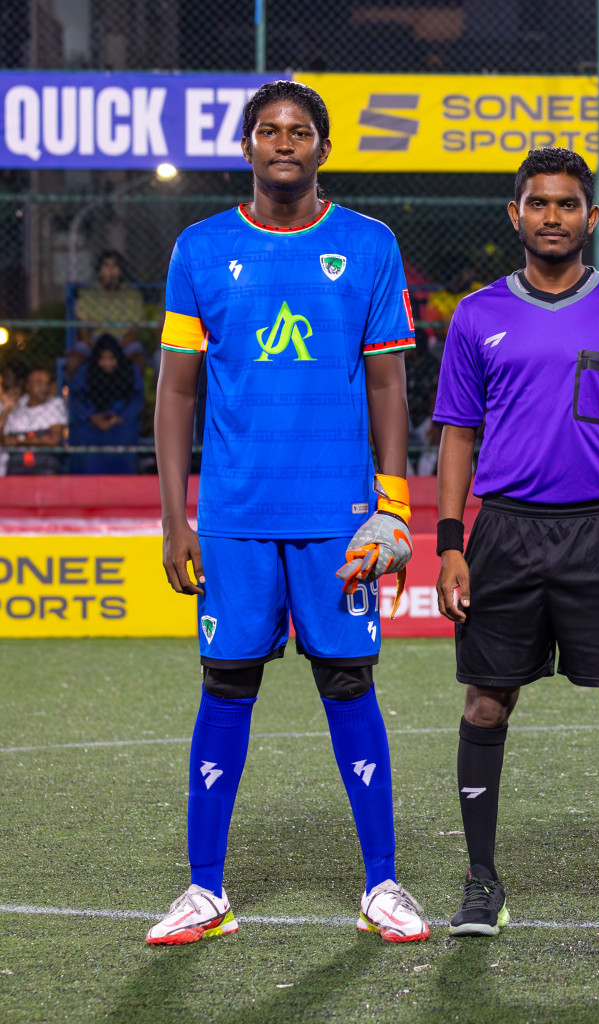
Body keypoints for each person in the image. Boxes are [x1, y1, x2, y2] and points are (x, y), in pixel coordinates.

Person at [148, 81, 428, 946]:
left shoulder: (367, 245)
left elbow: (389, 382)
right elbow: (176, 392)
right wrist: (174, 517)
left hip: (339, 519)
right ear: (246, 147)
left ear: (322, 148)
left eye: (299, 130)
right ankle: (205, 891)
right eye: (267, 130)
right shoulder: (198, 248)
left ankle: (381, 885)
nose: (283, 142)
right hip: (234, 517)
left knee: (350, 683)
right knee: (226, 684)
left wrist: (392, 505)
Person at [432, 148, 599, 939]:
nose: (552, 217)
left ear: (590, 217)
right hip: (503, 531)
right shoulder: (476, 315)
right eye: (538, 204)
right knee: (485, 701)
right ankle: (481, 881)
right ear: (516, 214)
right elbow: (457, 435)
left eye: (567, 205)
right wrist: (449, 542)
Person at [68, 336, 144, 474]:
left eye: (111, 358)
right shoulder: (86, 370)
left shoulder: (130, 370)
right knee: (81, 434)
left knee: (126, 433)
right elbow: (77, 400)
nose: (106, 363)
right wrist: (91, 417)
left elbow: (136, 399)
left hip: (121, 419)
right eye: (102, 358)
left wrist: (120, 417)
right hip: (92, 419)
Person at [70, 251, 148, 373]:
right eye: (106, 266)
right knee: (73, 361)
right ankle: (76, 391)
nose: (110, 271)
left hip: (122, 342)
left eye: (115, 266)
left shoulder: (132, 295)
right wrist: (93, 346)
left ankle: (134, 391)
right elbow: (83, 329)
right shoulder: (88, 294)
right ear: (99, 271)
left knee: (138, 359)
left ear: (121, 271)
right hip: (95, 341)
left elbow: (134, 331)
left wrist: (118, 349)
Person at [1, 365, 67, 475]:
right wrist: (5, 412)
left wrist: (18, 440)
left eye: (47, 383)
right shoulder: (17, 406)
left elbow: (52, 440)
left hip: (45, 466)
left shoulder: (55, 404)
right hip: (16, 466)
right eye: (39, 382)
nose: (44, 388)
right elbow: (5, 440)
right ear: (27, 385)